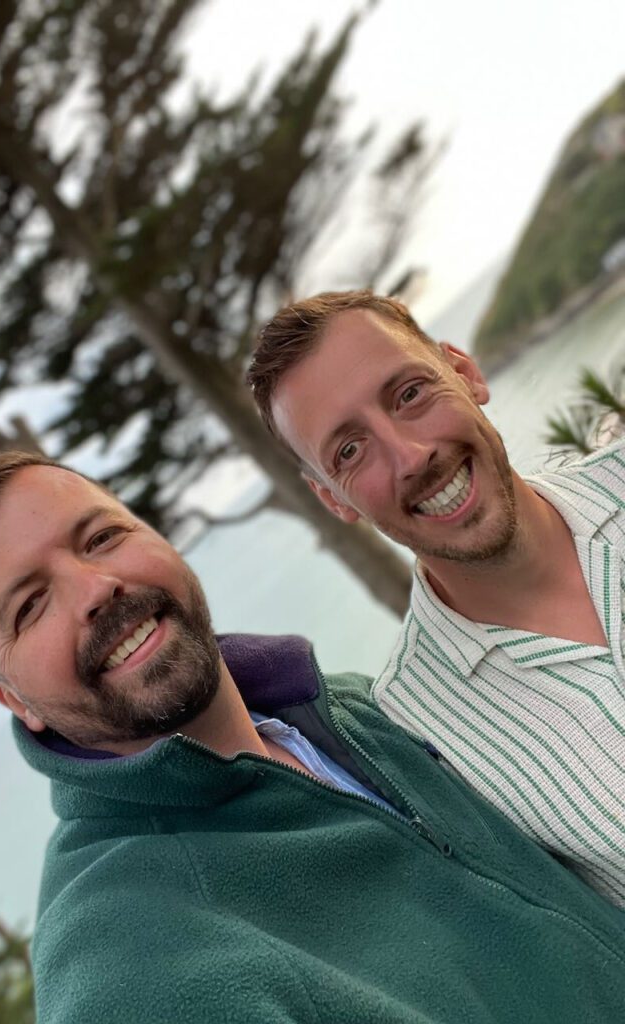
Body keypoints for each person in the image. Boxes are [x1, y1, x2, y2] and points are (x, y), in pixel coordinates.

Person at [0, 451, 625, 1024]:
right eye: (31, 605)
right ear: (14, 701)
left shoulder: (352, 710)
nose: (96, 587)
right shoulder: (127, 961)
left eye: (101, 537)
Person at [248, 288, 625, 908]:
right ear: (335, 500)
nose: (411, 456)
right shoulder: (419, 736)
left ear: (464, 371)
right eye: (349, 450)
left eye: (410, 393)